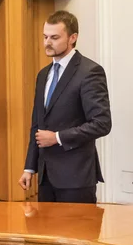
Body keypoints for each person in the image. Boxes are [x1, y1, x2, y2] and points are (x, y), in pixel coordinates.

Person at [19, 11, 111, 203]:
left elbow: (102, 123)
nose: (47, 42)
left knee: (78, 233)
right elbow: (37, 124)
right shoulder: (43, 75)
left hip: (76, 178)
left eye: (54, 37)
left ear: (72, 38)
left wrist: (57, 138)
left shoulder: (90, 72)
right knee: (44, 232)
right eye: (45, 37)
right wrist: (29, 167)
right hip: (46, 178)